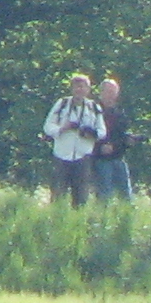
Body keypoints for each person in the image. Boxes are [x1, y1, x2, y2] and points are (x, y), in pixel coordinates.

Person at [42, 73, 103, 205]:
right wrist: (62, 128)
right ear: (71, 89)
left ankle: (77, 217)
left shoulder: (94, 107)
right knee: (58, 194)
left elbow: (102, 132)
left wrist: (90, 133)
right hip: (62, 155)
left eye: (82, 87)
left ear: (88, 89)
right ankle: (57, 215)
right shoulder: (62, 104)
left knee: (81, 196)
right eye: (76, 87)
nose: (79, 90)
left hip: (83, 155)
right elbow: (47, 127)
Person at [92, 77, 134, 205]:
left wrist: (129, 140)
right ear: (101, 92)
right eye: (108, 91)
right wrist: (100, 147)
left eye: (114, 92)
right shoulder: (93, 111)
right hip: (100, 159)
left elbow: (123, 133)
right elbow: (88, 133)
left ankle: (126, 215)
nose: (111, 95)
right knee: (105, 194)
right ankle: (103, 215)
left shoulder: (120, 112)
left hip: (118, 157)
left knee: (126, 194)